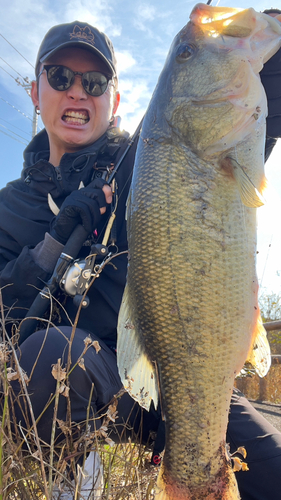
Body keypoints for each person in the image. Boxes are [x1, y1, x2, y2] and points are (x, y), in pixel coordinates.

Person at [0, 11, 281, 500]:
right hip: (81, 378)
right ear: (36, 90)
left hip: (181, 375)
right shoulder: (8, 207)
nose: (77, 91)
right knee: (46, 360)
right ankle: (73, 480)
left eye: (95, 80)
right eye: (61, 77)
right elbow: (5, 315)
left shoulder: (151, 156)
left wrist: (259, 39)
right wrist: (48, 247)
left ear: (117, 98)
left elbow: (257, 107)